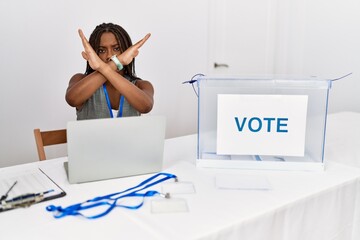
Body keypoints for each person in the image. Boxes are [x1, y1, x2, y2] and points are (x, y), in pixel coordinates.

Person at [65, 23, 153, 120]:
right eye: (101, 50)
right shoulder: (80, 79)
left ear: (127, 51)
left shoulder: (141, 85)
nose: (109, 56)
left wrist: (103, 67)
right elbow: (72, 99)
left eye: (116, 48)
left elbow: (146, 107)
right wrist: (117, 62)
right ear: (94, 54)